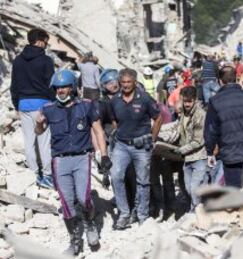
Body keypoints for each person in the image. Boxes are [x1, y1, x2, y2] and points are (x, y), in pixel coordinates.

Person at [35, 69, 112, 255]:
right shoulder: (48, 109)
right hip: (60, 160)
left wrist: (104, 155)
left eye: (64, 87)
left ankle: (90, 223)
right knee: (67, 202)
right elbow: (39, 131)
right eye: (58, 87)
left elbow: (99, 131)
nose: (61, 90)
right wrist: (38, 123)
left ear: (72, 88)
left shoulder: (86, 106)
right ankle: (75, 240)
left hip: (81, 157)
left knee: (84, 198)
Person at [110, 68, 162, 229]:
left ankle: (142, 215)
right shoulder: (114, 100)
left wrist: (152, 139)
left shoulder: (145, 98)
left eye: (128, 82)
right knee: (116, 176)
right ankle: (124, 213)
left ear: (134, 82)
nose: (125, 85)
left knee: (143, 181)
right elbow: (113, 121)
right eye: (123, 82)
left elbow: (158, 118)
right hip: (121, 145)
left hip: (142, 146)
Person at [10, 28, 54, 188]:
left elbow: (14, 86)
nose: (47, 45)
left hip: (23, 104)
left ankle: (34, 174)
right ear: (40, 41)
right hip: (41, 105)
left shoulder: (17, 60)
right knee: (44, 142)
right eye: (46, 41)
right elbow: (51, 86)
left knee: (29, 141)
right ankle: (48, 176)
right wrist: (54, 103)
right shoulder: (46, 61)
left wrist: (17, 104)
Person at [159, 86, 207, 211]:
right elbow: (176, 127)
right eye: (185, 101)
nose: (187, 104)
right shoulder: (184, 114)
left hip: (199, 157)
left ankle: (197, 213)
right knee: (187, 188)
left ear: (195, 100)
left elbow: (198, 141)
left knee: (195, 189)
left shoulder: (200, 116)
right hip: (187, 159)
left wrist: (180, 150)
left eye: (189, 101)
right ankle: (195, 210)